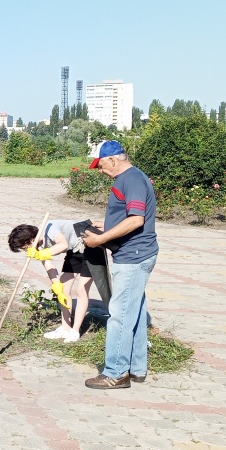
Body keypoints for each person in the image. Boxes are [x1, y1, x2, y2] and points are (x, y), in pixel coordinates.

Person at [83, 140, 159, 390]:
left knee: (120, 315)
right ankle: (136, 369)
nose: (101, 171)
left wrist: (100, 239)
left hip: (133, 256)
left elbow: (136, 220)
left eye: (101, 166)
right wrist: (107, 227)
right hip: (136, 252)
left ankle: (115, 372)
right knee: (134, 312)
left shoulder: (131, 179)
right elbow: (130, 216)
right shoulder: (130, 178)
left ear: (113, 160)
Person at [8, 220, 95, 343]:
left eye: (24, 248)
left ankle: (75, 332)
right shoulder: (37, 246)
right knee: (64, 288)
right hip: (75, 250)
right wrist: (57, 287)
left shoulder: (50, 227)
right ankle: (66, 328)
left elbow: (63, 244)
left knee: (81, 289)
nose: (25, 250)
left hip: (92, 245)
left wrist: (41, 254)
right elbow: (48, 266)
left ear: (29, 241)